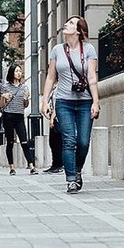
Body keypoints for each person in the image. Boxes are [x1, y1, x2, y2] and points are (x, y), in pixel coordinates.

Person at [41, 15, 100, 194]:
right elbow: (51, 77)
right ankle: (71, 179)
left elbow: (91, 77)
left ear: (79, 30)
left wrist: (96, 102)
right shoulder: (57, 50)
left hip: (84, 102)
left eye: (71, 23)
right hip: (63, 101)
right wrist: (45, 101)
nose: (66, 24)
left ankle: (77, 170)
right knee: (69, 140)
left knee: (83, 142)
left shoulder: (89, 49)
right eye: (67, 22)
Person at [0, 65, 38, 175]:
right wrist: (4, 97)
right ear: (11, 73)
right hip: (8, 116)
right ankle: (11, 167)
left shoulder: (24, 87)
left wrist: (26, 99)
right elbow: (1, 105)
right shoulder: (5, 86)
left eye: (20, 71)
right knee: (10, 142)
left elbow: (25, 105)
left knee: (24, 141)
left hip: (19, 116)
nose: (18, 73)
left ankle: (31, 166)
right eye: (16, 71)